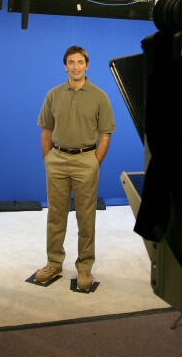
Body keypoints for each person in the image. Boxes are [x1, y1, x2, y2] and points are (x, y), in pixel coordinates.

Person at [34, 45, 115, 291]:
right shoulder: (53, 94)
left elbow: (105, 134)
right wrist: (49, 159)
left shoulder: (100, 96)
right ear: (65, 66)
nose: (76, 66)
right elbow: (46, 130)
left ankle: (85, 267)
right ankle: (54, 263)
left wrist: (94, 161)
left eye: (80, 62)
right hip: (57, 160)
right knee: (55, 215)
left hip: (86, 160)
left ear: (87, 65)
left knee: (86, 217)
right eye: (71, 62)